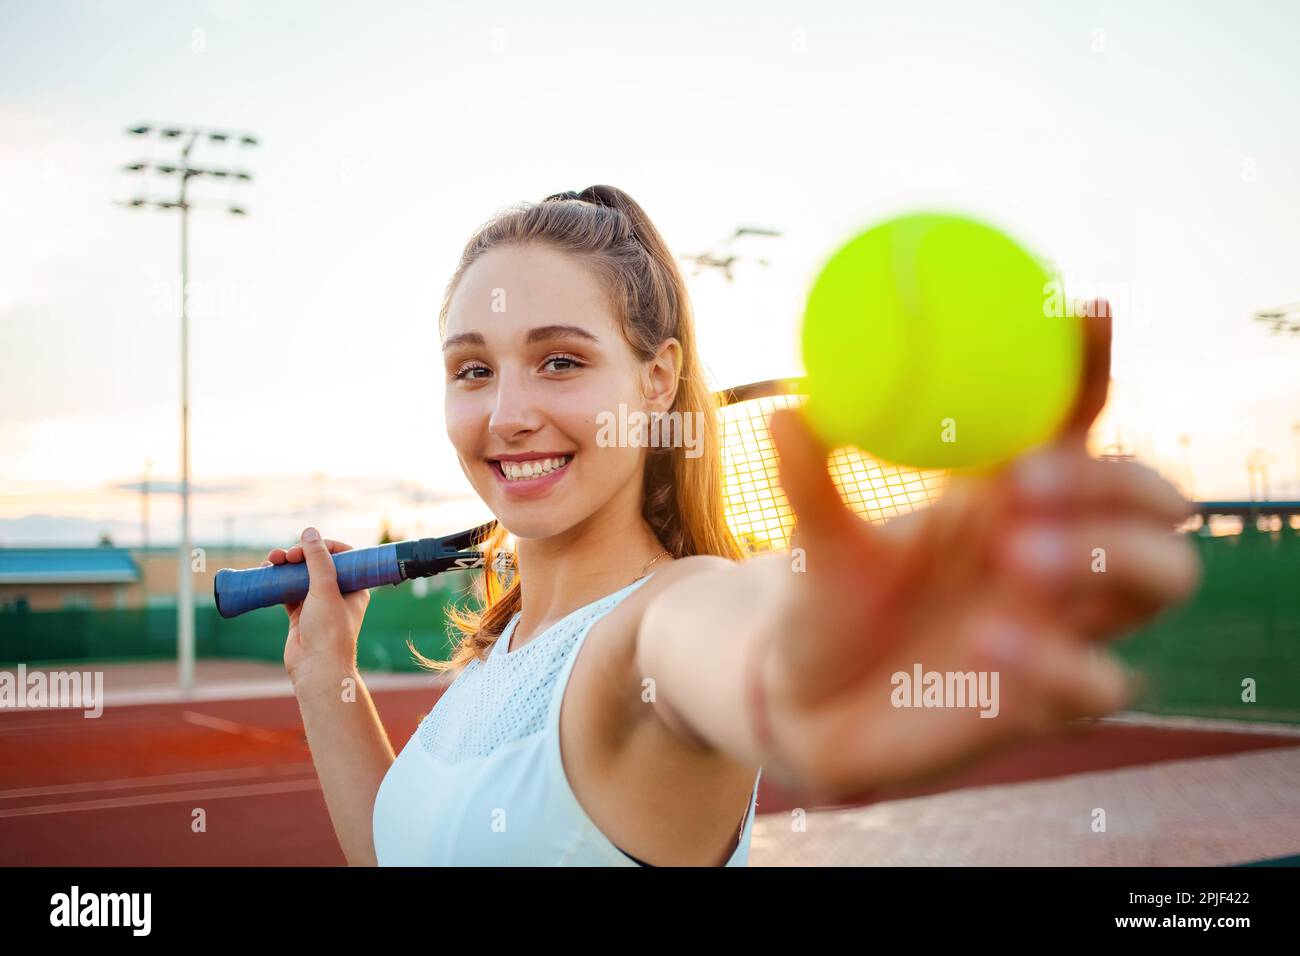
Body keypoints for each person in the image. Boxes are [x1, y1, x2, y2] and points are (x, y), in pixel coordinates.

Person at [262, 185, 1200, 866]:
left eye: (559, 362)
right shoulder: (500, 649)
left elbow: (720, 648)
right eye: (474, 370)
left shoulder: (659, 625)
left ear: (658, 379)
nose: (507, 412)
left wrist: (797, 671)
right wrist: (324, 676)